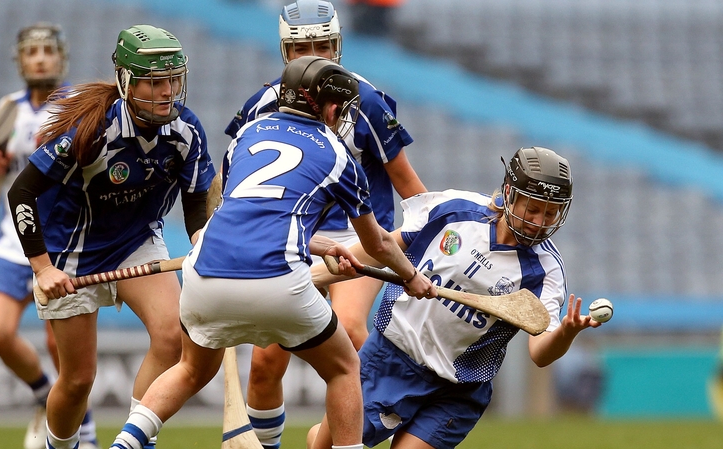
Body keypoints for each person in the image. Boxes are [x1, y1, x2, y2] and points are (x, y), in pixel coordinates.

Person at [108, 55, 435, 449]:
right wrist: (412, 277)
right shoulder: (337, 153)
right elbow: (377, 243)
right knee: (345, 368)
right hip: (276, 282)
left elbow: (252, 214)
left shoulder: (250, 133)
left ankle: (125, 442)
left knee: (190, 370)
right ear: (329, 106)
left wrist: (323, 244)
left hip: (203, 274)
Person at [224, 2, 427, 446]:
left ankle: (352, 430)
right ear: (284, 50)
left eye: (321, 46)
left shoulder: (367, 101)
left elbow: (409, 185)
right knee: (264, 366)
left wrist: (431, 241)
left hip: (363, 237)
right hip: (294, 240)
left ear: (337, 46)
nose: (312, 55)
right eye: (301, 47)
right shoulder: (261, 104)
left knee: (351, 331)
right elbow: (233, 181)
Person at [307, 146, 604, 449]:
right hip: (390, 358)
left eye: (551, 213)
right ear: (509, 194)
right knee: (323, 445)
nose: (540, 221)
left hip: (459, 389)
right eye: (533, 209)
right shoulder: (454, 210)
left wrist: (566, 332)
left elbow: (540, 354)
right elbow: (379, 248)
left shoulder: (546, 270)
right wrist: (312, 278)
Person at [6, 24, 215, 449]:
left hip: (137, 238)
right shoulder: (90, 130)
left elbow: (196, 197)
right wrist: (42, 268)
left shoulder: (186, 131)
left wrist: (200, 238)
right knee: (79, 379)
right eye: (153, 83)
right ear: (126, 82)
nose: (166, 92)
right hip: (71, 251)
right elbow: (21, 192)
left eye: (172, 80)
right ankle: (59, 446)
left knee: (174, 337)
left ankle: (137, 439)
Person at [0, 22, 99, 449]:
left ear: (61, 58)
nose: (40, 59)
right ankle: (42, 393)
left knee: (59, 344)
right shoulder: (7, 109)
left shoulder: (75, 106)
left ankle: (81, 428)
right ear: (20, 61)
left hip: (60, 242)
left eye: (48, 51)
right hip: (13, 244)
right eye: (32, 53)